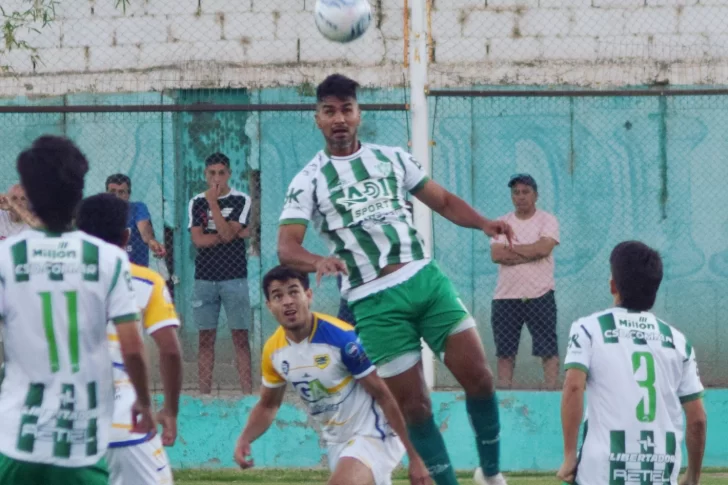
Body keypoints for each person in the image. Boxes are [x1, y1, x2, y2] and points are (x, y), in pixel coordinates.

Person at [277, 73, 513, 485]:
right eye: (329, 111)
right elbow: (286, 247)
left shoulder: (391, 158)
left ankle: (491, 475)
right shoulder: (308, 180)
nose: (339, 119)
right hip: (373, 303)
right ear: (317, 118)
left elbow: (441, 200)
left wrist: (484, 223)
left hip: (425, 279)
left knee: (480, 378)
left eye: (346, 109)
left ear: (359, 114)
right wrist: (317, 261)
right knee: (416, 407)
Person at [0, 135, 155, 485]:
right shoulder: (108, 258)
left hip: (16, 440)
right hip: (78, 442)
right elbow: (132, 348)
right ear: (79, 192)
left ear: (29, 193)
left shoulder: (8, 257)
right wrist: (144, 402)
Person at [234, 265, 431, 485]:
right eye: (278, 296)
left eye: (293, 292)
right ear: (269, 306)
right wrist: (245, 438)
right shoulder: (274, 351)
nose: (287, 301)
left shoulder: (342, 338)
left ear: (308, 296)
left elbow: (384, 394)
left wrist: (416, 456)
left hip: (375, 431)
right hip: (338, 441)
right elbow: (268, 405)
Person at [558, 241, 707, 485]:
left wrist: (568, 455)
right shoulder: (678, 341)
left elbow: (574, 387)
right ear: (655, 289)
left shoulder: (588, 329)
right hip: (659, 472)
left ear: (613, 285)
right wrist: (693, 476)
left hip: (602, 471)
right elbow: (698, 419)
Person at [76, 193, 183, 485]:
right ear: (126, 237)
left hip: (65, 425)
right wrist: (169, 410)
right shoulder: (145, 280)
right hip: (126, 420)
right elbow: (170, 351)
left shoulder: (52, 281)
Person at [188, 152, 253, 394]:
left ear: (229, 174)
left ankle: (247, 394)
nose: (216, 178)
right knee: (205, 338)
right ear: (205, 174)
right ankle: (204, 394)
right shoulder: (196, 202)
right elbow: (198, 240)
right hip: (204, 277)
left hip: (234, 276)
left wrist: (214, 203)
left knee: (240, 337)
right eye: (212, 173)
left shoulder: (240, 200)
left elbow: (225, 235)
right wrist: (232, 234)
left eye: (221, 173)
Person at [490, 174, 560, 390]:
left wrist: (512, 249)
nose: (520, 197)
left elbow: (543, 249)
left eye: (525, 192)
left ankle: (551, 394)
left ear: (536, 195)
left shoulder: (547, 220)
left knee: (548, 350)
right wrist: (531, 251)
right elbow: (496, 255)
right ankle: (504, 397)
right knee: (505, 353)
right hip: (505, 298)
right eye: (516, 193)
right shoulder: (502, 224)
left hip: (540, 295)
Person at [106, 174, 166, 267]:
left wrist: (152, 241)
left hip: (136, 272)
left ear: (128, 195)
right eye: (112, 192)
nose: (116, 196)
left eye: (121, 192)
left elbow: (146, 234)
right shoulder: (99, 213)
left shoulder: (137, 208)